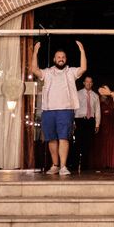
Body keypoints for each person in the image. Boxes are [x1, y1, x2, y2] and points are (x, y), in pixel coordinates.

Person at [29, 41, 87, 176]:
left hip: (65, 110)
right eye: (58, 57)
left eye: (63, 57)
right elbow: (34, 70)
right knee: (51, 139)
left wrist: (82, 50)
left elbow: (83, 68)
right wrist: (35, 52)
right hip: (49, 110)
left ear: (66, 60)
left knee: (63, 138)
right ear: (54, 59)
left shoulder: (71, 72)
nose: (61, 59)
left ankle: (63, 166)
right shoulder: (48, 72)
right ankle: (55, 165)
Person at [72, 76, 100, 172]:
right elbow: (74, 108)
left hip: (90, 121)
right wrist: (73, 122)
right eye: (87, 82)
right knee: (78, 143)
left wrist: (97, 124)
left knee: (87, 144)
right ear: (84, 83)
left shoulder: (95, 96)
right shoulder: (78, 94)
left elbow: (98, 111)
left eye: (90, 82)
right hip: (79, 120)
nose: (88, 83)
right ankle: (74, 164)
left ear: (92, 83)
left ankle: (85, 166)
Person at [90, 89, 114, 171]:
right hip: (101, 126)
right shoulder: (97, 100)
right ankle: (101, 163)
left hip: (111, 126)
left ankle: (112, 163)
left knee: (112, 143)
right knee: (101, 145)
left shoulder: (113, 100)